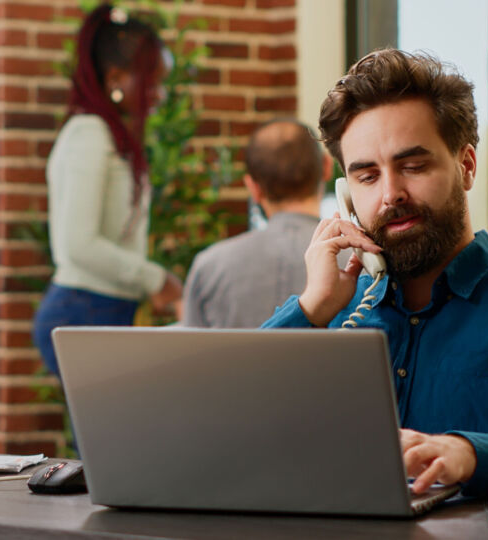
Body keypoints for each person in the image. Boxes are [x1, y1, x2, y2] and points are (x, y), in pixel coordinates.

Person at [261, 49, 488, 496]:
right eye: (367, 177)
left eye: (413, 166)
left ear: (467, 165)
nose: (391, 194)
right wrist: (310, 308)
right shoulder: (334, 314)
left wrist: (468, 454)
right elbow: (234, 438)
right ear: (346, 193)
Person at [32, 4, 182, 377]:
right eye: (153, 81)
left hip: (100, 309)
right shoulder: (90, 135)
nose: (160, 95)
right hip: (84, 310)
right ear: (116, 77)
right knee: (108, 436)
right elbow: (78, 244)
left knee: (108, 435)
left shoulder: (104, 134)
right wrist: (157, 280)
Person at [182, 119, 333, 328]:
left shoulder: (209, 267)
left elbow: (190, 356)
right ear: (327, 167)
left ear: (253, 188)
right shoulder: (363, 261)